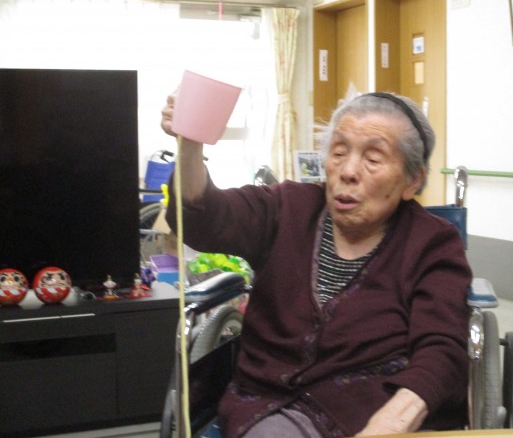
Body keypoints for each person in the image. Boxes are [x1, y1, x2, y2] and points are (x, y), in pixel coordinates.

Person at [161, 91, 472, 438]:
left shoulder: (431, 243)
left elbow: (442, 349)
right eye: (338, 153)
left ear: (412, 181)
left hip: (372, 409)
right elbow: (204, 217)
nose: (348, 171)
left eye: (373, 159)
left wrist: (392, 422)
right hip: (268, 407)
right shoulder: (287, 208)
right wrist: (190, 145)